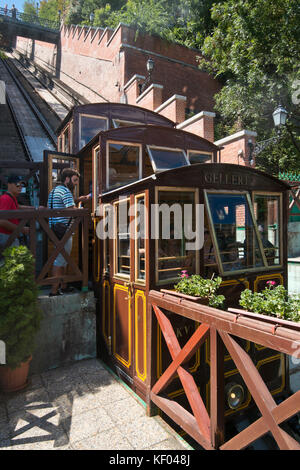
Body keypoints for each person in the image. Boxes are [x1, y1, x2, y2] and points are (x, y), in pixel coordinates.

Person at [47, 168, 90, 296]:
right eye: (75, 180)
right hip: (64, 231)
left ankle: (63, 286)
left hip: (55, 230)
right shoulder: (65, 191)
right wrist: (82, 208)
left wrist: (78, 200)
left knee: (63, 259)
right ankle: (54, 291)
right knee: (60, 261)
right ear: (67, 179)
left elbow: (63, 205)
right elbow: (72, 210)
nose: (76, 183)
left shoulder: (55, 190)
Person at [0, 175, 33, 250]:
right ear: (9, 184)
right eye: (17, 184)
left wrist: (35, 208)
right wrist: (21, 229)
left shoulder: (11, 198)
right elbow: (1, 221)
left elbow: (17, 206)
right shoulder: (6, 199)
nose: (20, 187)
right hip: (6, 237)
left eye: (22, 185)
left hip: (9, 236)